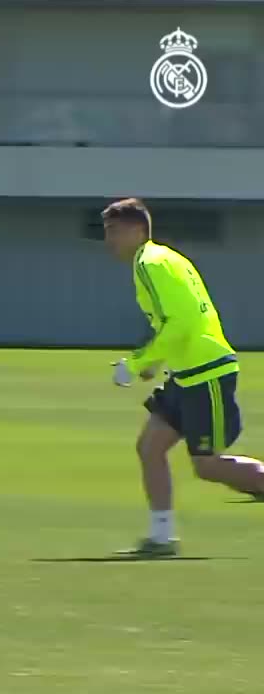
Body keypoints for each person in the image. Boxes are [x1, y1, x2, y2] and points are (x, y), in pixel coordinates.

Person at [102, 197, 264, 557]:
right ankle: (162, 538)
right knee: (150, 447)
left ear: (137, 230)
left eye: (113, 231)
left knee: (207, 465)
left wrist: (137, 361)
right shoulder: (161, 258)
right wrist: (155, 361)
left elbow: (183, 323)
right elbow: (178, 321)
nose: (108, 240)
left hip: (205, 371)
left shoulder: (150, 263)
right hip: (187, 372)